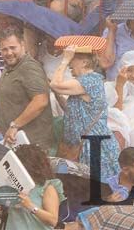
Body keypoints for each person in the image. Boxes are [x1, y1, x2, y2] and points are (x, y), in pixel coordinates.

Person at [52, 46, 119, 180]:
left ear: (84, 62)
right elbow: (77, 112)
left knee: (96, 190)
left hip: (93, 147)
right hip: (85, 145)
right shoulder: (88, 81)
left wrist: (65, 60)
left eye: (73, 59)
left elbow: (55, 84)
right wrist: (59, 96)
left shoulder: (89, 80)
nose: (70, 64)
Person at [0, 29, 54, 149]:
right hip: (17, 143)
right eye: (4, 49)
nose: (9, 53)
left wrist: (15, 126)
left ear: (22, 45)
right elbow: (11, 94)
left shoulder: (29, 67)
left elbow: (41, 101)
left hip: (32, 144)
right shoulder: (10, 66)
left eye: (13, 47)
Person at [0, 143, 62, 229]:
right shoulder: (15, 185)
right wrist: (7, 162)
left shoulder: (47, 188)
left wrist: (30, 206)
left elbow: (53, 220)